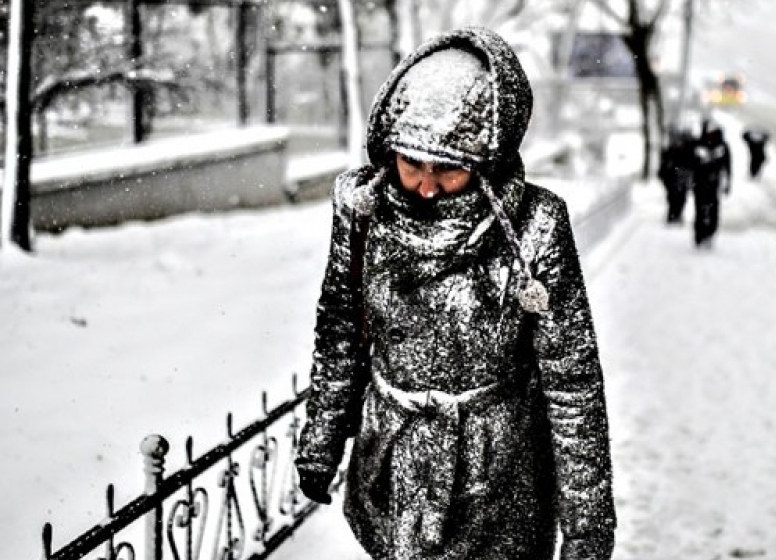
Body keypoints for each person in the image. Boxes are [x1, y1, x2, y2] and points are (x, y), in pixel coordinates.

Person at [295, 28, 617, 560]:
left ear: (487, 158)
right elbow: (342, 330)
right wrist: (323, 441)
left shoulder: (535, 226)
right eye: (410, 163)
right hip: (393, 475)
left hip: (499, 491)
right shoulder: (364, 215)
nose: (424, 186)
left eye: (447, 168)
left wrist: (586, 526)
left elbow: (572, 382)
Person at [691, 118, 732, 248]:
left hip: (714, 184)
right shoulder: (698, 144)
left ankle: (709, 234)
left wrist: (727, 183)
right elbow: (691, 163)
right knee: (699, 210)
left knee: (713, 210)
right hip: (699, 183)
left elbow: (728, 166)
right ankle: (699, 234)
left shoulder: (722, 146)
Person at [657, 126, 696, 224]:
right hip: (673, 177)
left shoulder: (684, 150)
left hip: (678, 176)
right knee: (674, 196)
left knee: (679, 196)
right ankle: (674, 215)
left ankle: (675, 214)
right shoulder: (671, 151)